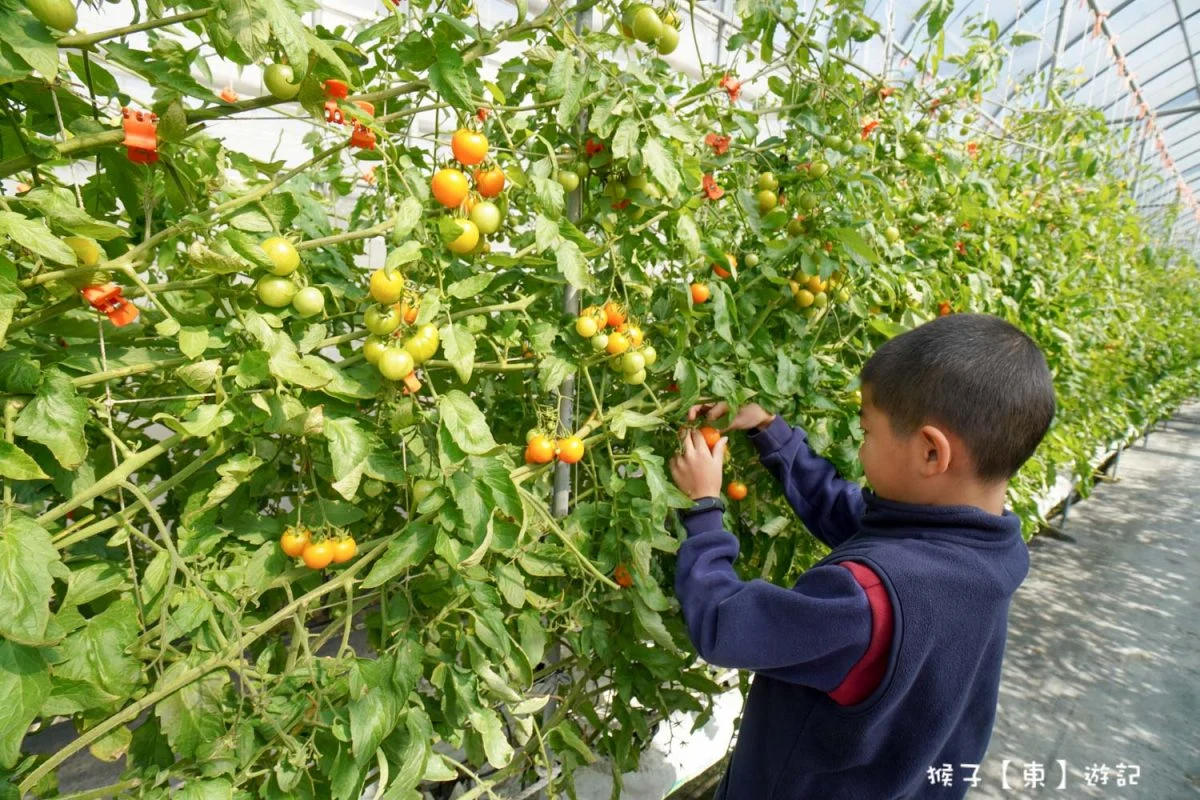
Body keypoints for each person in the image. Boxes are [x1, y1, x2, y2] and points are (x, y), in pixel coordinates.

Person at [668, 313, 1056, 800]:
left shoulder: (866, 603)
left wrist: (704, 511)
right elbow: (853, 516)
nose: (861, 442)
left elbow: (725, 625)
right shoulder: (984, 549)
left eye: (867, 431)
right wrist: (770, 431)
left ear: (931, 453)